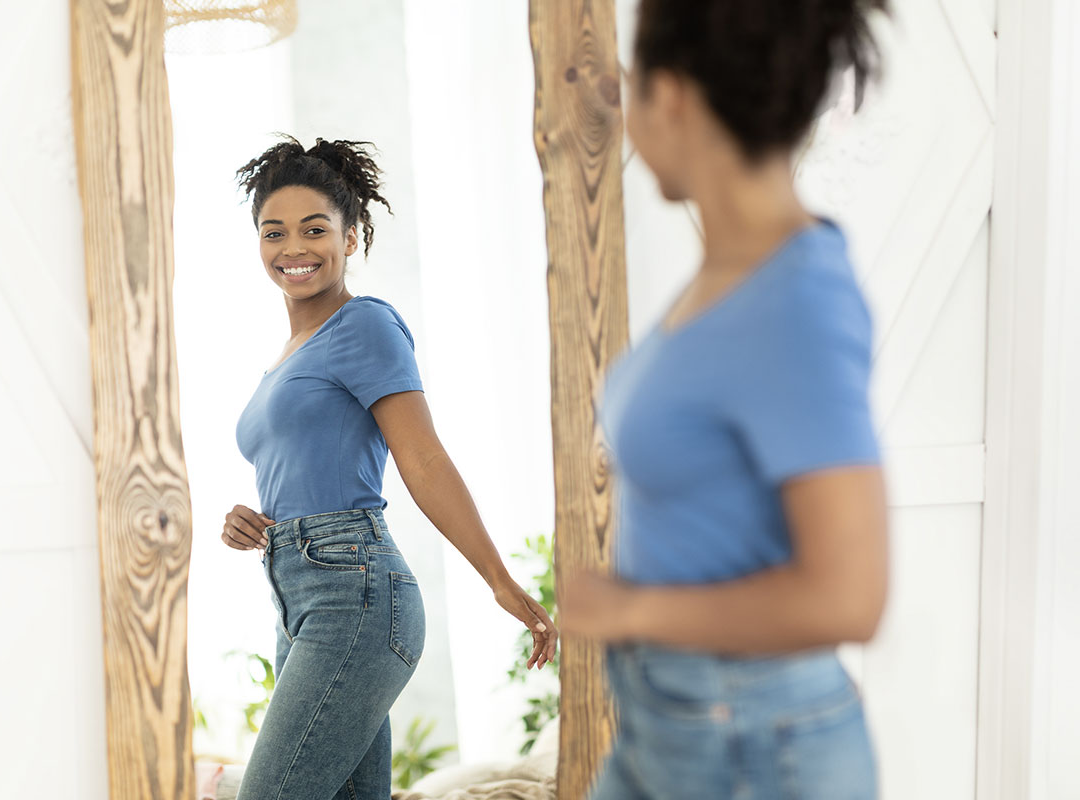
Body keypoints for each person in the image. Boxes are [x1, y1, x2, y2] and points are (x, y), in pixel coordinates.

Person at [559, 1, 890, 798]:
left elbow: (850, 596)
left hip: (753, 746)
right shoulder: (731, 274)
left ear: (670, 97)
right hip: (675, 722)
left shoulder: (794, 302)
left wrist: (630, 610)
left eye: (633, 90)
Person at [223, 136, 558, 800]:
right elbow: (305, 463)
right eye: (275, 232)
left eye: (315, 229)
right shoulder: (287, 358)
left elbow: (424, 459)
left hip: (355, 596)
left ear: (351, 238)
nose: (295, 247)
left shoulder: (366, 326)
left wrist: (496, 577)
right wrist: (251, 520)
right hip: (297, 599)